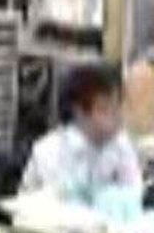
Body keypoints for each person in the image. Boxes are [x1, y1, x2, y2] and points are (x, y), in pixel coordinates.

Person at [20, 63, 143, 215]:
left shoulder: (120, 144)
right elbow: (60, 206)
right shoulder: (50, 150)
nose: (117, 116)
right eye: (105, 108)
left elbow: (134, 194)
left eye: (118, 106)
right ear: (79, 112)